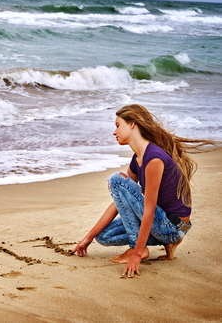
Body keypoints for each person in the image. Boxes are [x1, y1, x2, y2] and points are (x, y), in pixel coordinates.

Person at [71, 104, 216, 278]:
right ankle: (168, 243)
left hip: (171, 226)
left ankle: (139, 247)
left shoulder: (153, 158)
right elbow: (120, 202)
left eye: (118, 125)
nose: (114, 132)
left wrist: (137, 255)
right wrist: (87, 238)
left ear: (132, 124)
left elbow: (149, 209)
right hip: (161, 223)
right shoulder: (137, 159)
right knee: (103, 236)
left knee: (117, 180)